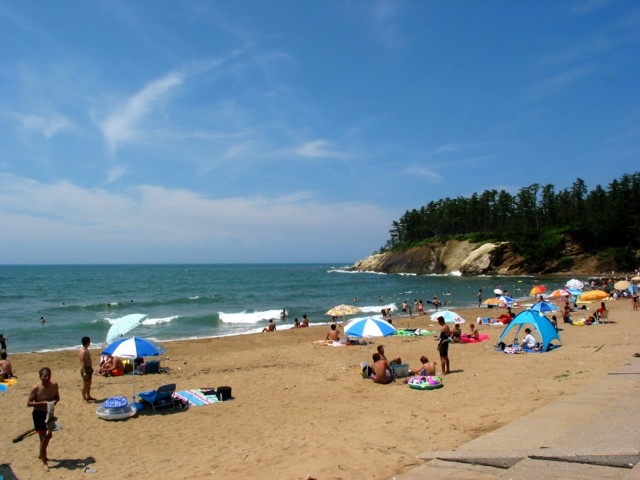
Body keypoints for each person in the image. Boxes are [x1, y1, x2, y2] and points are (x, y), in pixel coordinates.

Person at [27, 367, 60, 472]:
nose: (46, 378)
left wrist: (54, 402)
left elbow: (57, 397)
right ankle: (44, 462)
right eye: (44, 376)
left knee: (49, 435)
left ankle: (42, 454)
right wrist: (42, 403)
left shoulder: (54, 385)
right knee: (43, 438)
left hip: (49, 413)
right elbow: (29, 403)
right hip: (38, 414)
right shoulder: (36, 388)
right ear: (40, 377)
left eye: (48, 376)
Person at [78, 336, 96, 402]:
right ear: (87, 342)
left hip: (89, 368)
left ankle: (88, 396)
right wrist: (85, 372)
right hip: (86, 369)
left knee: (89, 383)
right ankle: (84, 398)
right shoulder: (83, 351)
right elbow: (82, 362)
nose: (90, 342)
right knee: (85, 385)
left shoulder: (86, 350)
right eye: (89, 341)